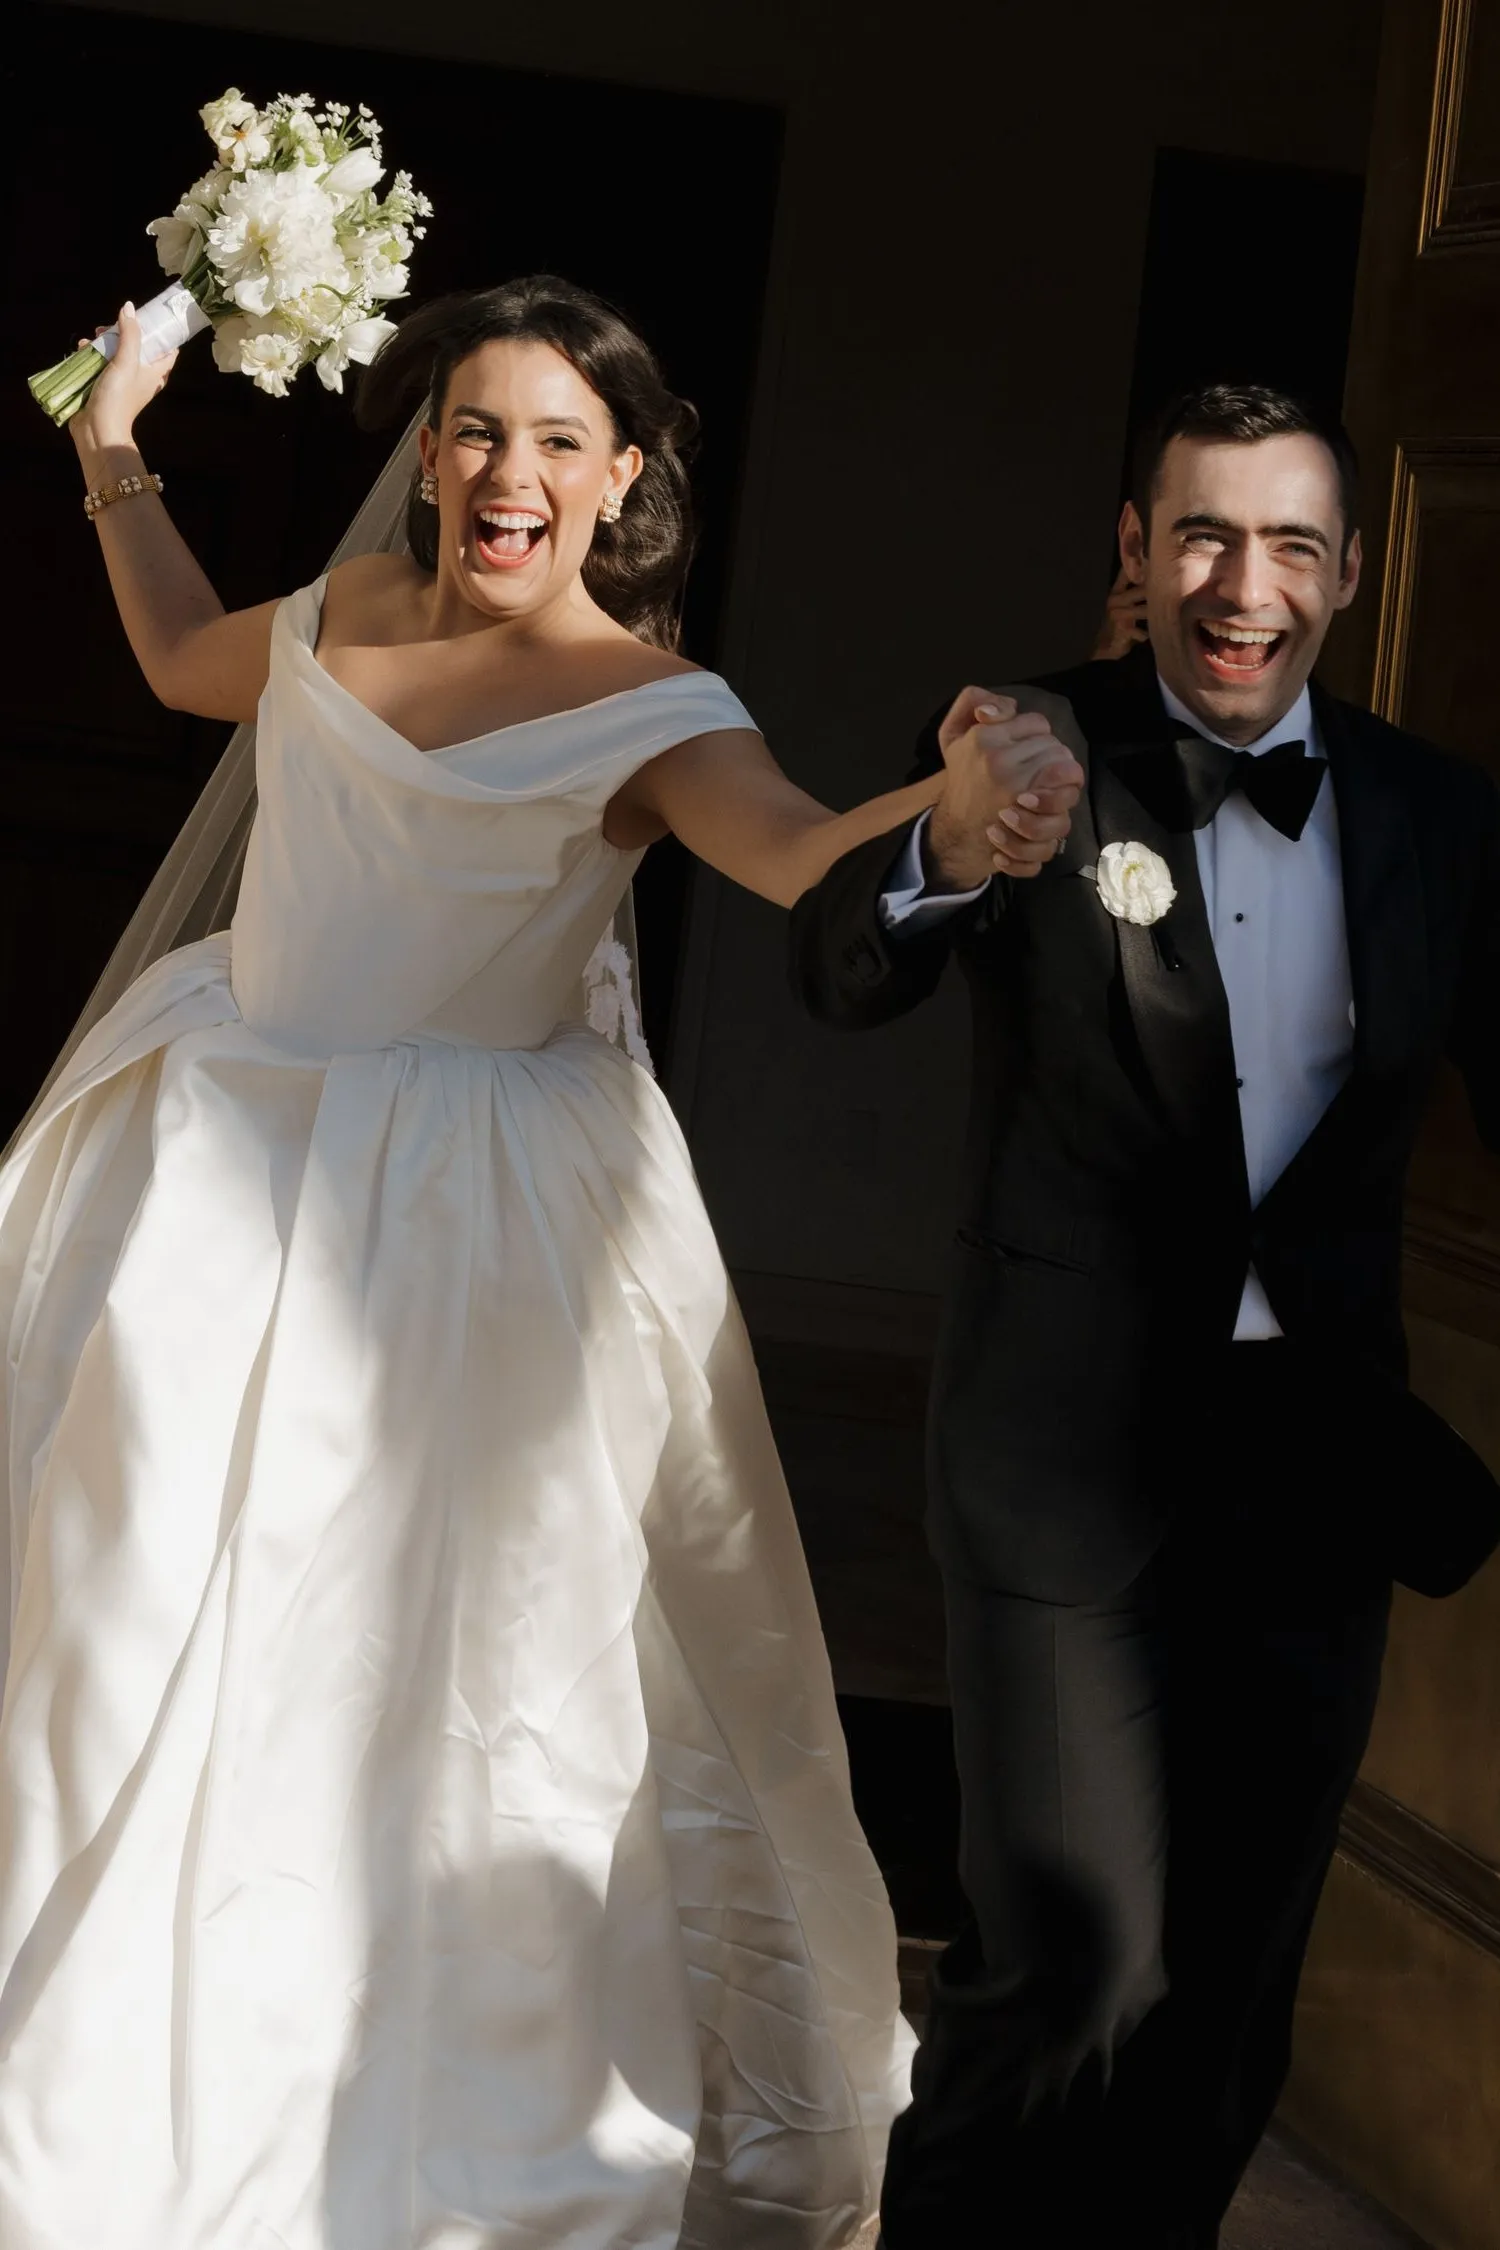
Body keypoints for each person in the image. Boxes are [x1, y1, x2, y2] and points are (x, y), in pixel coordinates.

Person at [0, 278, 1080, 2250]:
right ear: (426, 456)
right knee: (127, 1579)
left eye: (559, 443)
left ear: (623, 482)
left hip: (457, 1225)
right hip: (220, 1151)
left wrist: (950, 814)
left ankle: (380, 2101)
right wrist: (112, 446)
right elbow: (172, 659)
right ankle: (86, 2067)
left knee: (413, 1664)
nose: (512, 472)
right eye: (479, 431)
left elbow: (794, 856)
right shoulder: (333, 620)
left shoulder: (659, 706)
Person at [790, 381, 1500, 2248]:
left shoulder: (1438, 814)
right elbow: (838, 966)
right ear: (1134, 551)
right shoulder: (1026, 748)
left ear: (1349, 572)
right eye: (1198, 534)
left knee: (1228, 1995)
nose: (1237, 583)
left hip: (1313, 1466)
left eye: (1283, 544)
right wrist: (947, 842)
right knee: (1068, 1965)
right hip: (1061, 1452)